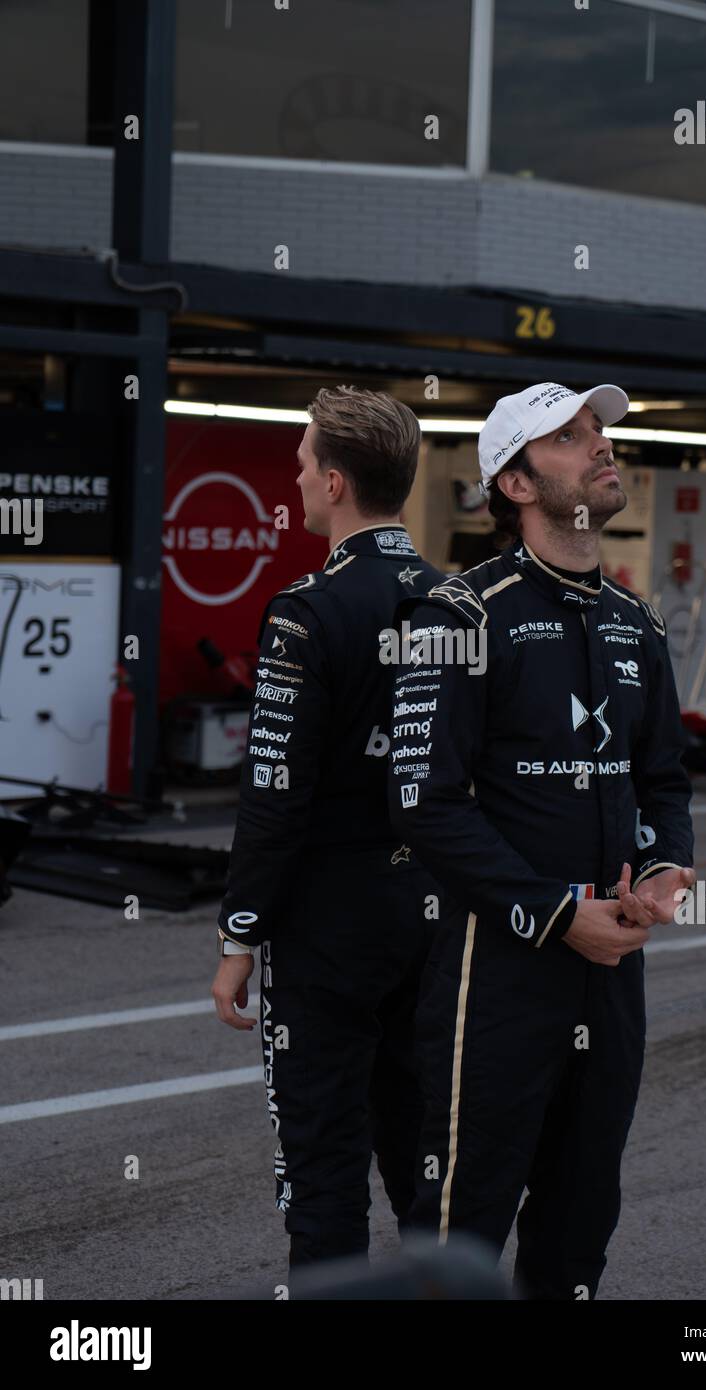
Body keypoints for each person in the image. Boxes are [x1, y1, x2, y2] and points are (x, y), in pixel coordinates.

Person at [387, 381, 695, 1300]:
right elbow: (421, 801)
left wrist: (670, 865)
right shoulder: (458, 615)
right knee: (461, 1240)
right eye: (569, 437)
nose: (601, 448)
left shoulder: (637, 622)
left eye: (599, 432)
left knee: (578, 1227)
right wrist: (557, 913)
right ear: (514, 483)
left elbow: (664, 778)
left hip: (612, 978)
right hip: (496, 978)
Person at [213, 385, 442, 1273]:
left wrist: (241, 933)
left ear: (338, 481)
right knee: (427, 1162)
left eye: (305, 460)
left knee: (322, 1170)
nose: (296, 474)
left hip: (329, 931)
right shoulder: (459, 604)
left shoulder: (304, 611)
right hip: (432, 916)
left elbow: (274, 796)